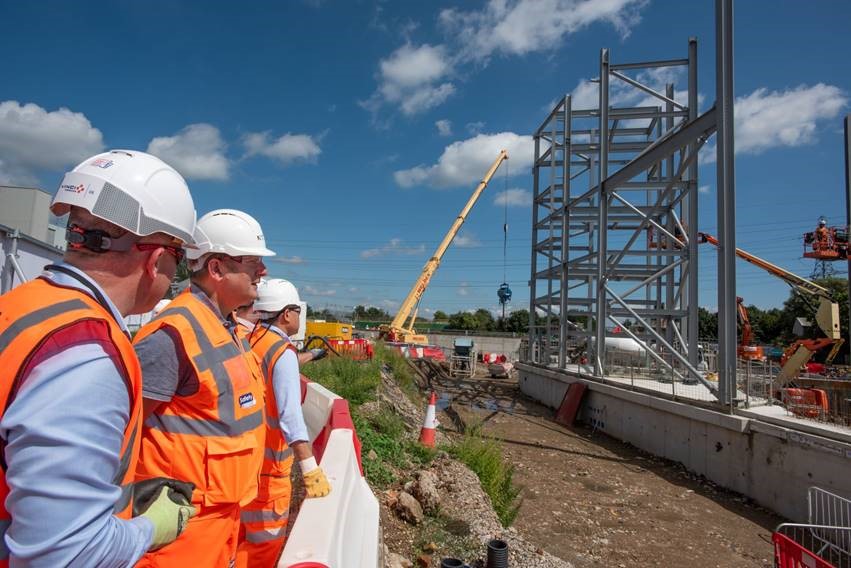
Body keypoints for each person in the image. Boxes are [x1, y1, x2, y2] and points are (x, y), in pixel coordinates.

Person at [0, 150, 198, 566]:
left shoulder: (23, 307)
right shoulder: (87, 353)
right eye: (177, 261)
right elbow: (66, 555)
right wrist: (150, 528)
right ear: (157, 259)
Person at [133, 209, 275, 567]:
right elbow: (120, 432)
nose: (263, 271)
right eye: (253, 262)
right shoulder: (172, 337)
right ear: (217, 269)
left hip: (219, 521)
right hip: (177, 532)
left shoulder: (228, 329)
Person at [236, 279, 331, 568]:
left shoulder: (252, 339)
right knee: (264, 544)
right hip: (270, 470)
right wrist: (310, 469)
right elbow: (290, 416)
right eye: (298, 311)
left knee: (239, 539)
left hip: (245, 462)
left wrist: (311, 355)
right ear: (286, 314)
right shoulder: (282, 351)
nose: (300, 318)